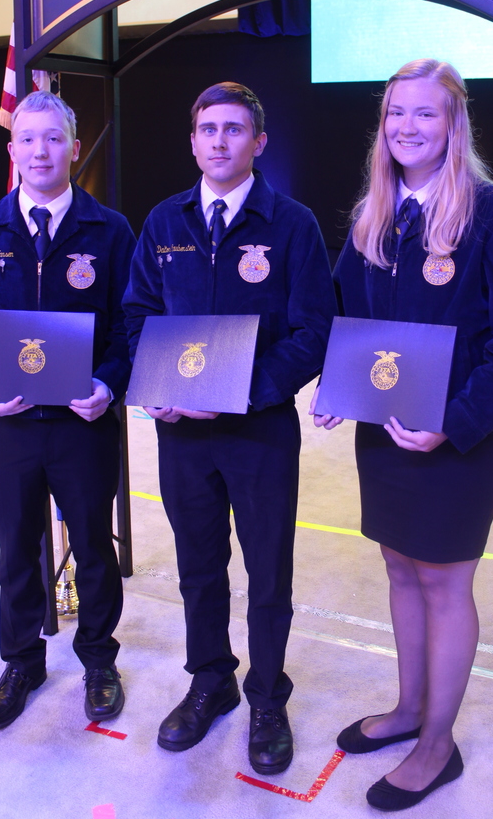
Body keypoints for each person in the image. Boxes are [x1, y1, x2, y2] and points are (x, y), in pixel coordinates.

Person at [311, 60, 493, 811]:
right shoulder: (374, 212)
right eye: (394, 114)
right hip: (386, 433)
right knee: (399, 572)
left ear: (454, 124)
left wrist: (454, 423)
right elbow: (342, 311)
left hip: (459, 439)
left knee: (444, 584)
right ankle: (409, 710)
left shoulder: (491, 212)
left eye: (424, 115)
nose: (407, 128)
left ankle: (437, 746)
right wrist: (334, 383)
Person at [122, 81, 336, 775]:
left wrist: (246, 393)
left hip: (259, 433)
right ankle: (209, 679)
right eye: (208, 128)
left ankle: (266, 696)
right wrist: (153, 388)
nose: (219, 140)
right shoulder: (163, 222)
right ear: (192, 141)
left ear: (258, 142)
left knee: (268, 574)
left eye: (234, 129)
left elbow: (312, 331)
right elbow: (135, 317)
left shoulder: (291, 224)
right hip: (182, 434)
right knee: (198, 569)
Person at [0, 91, 136, 731]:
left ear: (74, 149)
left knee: (93, 547)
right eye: (28, 139)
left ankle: (99, 660)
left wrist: (108, 384)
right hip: (12, 424)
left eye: (54, 138)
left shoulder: (109, 231)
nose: (41, 150)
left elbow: (129, 325)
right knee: (16, 546)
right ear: (13, 149)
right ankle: (22, 662)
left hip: (84, 426)